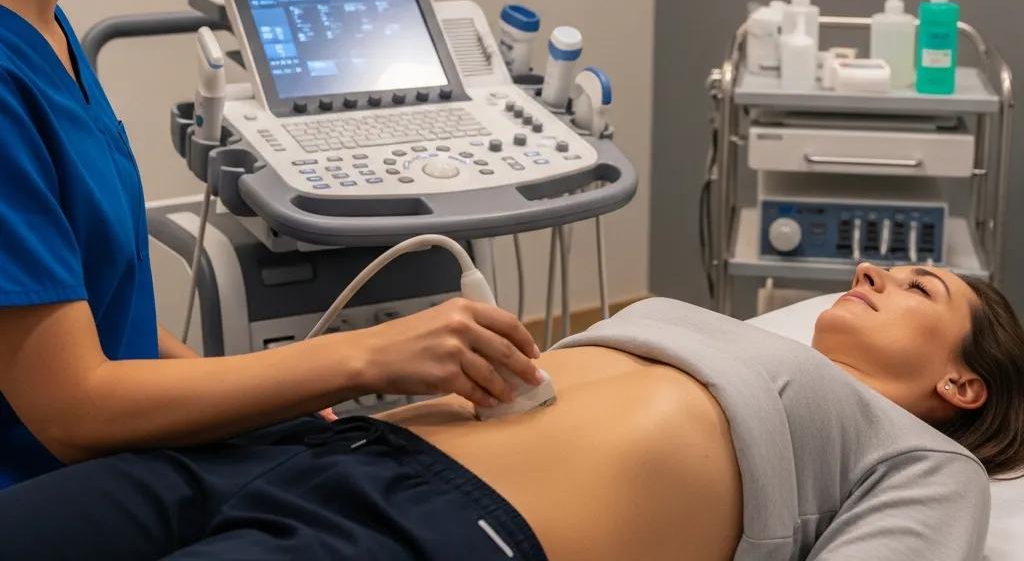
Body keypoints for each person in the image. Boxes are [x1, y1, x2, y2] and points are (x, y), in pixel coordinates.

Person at [0, 0, 546, 491]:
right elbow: (75, 406)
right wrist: (359, 358)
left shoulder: (52, 36)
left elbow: (118, 333)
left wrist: (271, 404)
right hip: (57, 498)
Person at [0, 262, 1021, 560]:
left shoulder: (921, 459)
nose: (872, 268)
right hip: (310, 446)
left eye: (920, 288)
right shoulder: (726, 332)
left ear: (962, 385)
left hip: (426, 529)